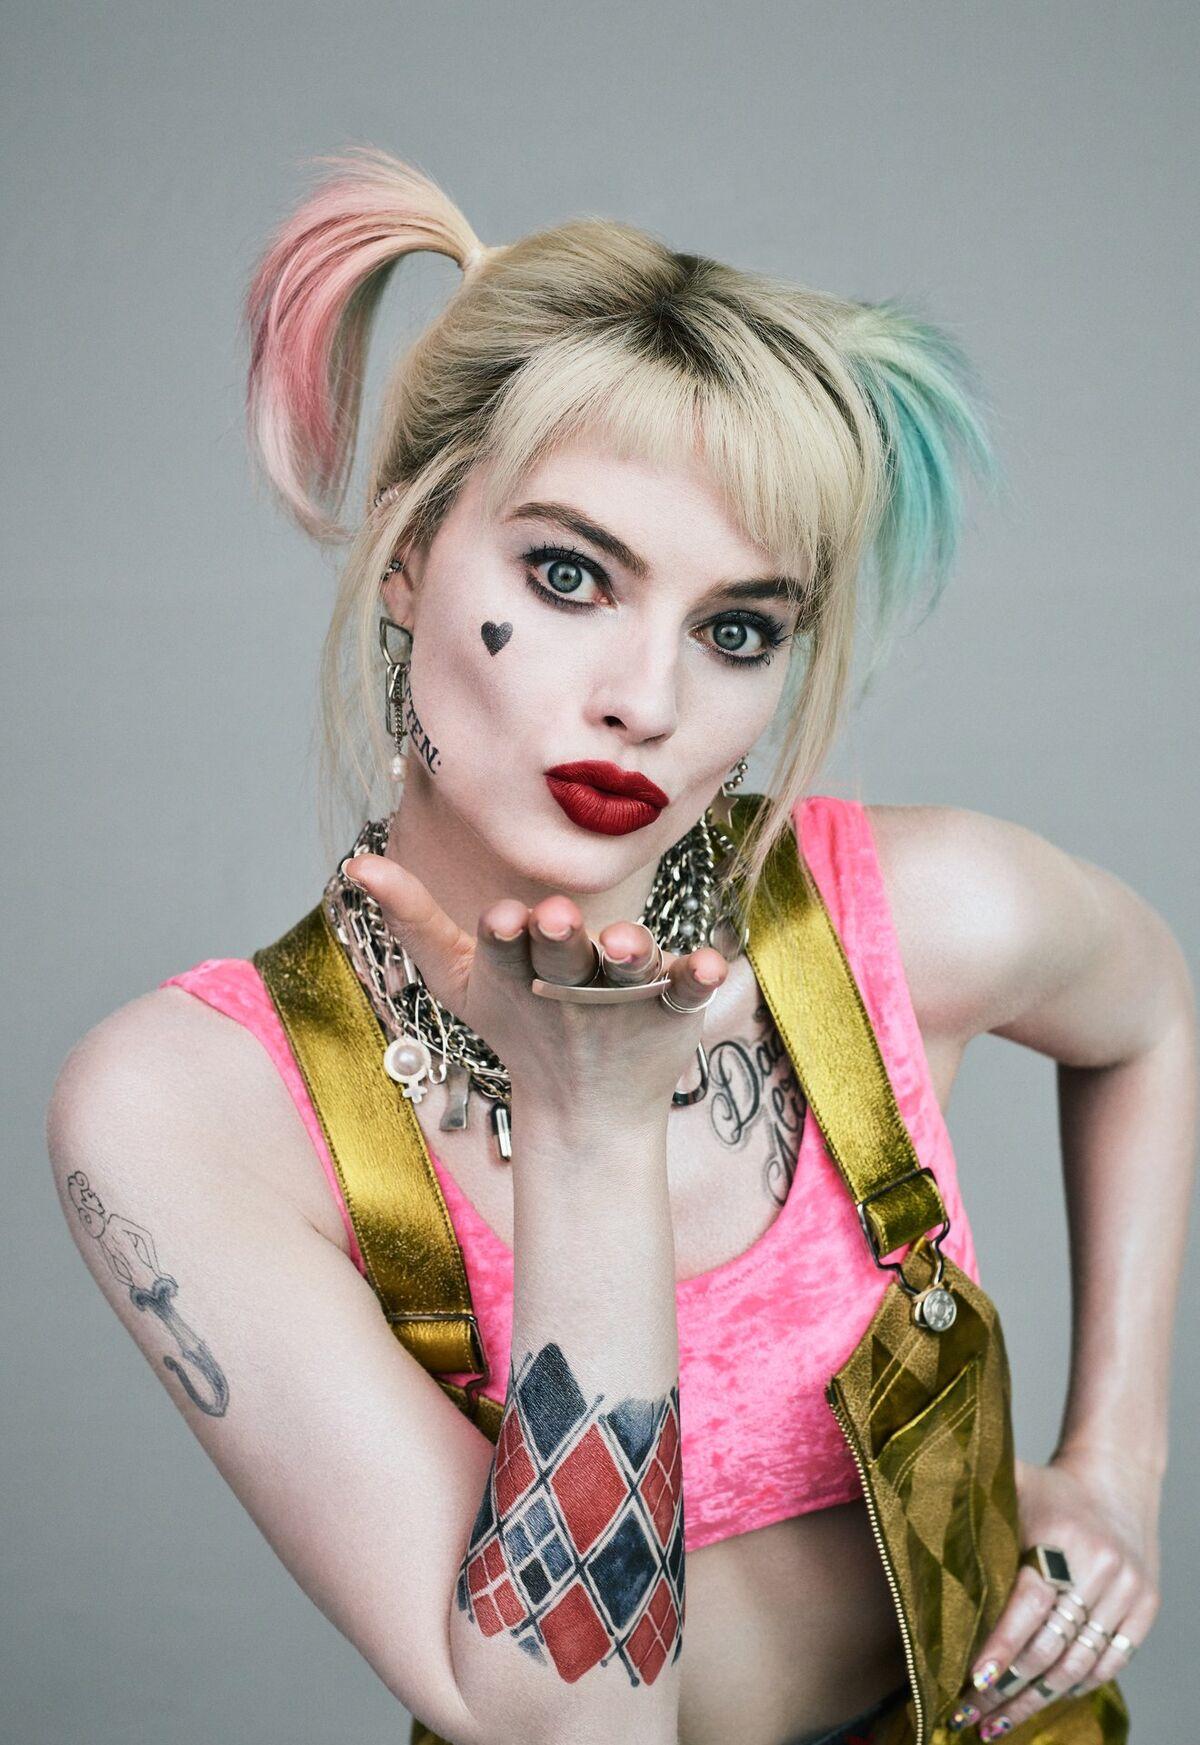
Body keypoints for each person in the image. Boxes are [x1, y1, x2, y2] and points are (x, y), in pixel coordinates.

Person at [46, 146, 1192, 1745]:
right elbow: (566, 1724)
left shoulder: (902, 913)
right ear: (405, 558)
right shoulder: (194, 1107)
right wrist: (588, 1122)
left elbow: (1149, 1011)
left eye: (737, 629)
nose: (647, 699)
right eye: (570, 574)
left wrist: (1117, 1460)